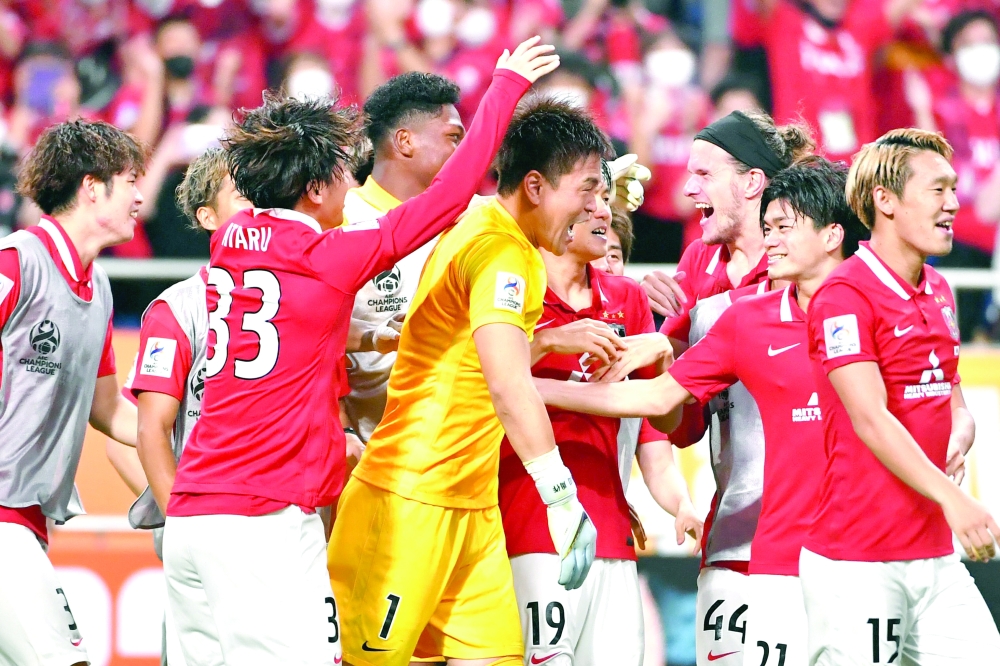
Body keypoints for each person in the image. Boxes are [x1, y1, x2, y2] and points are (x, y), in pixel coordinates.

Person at [161, 38, 557, 666]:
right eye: (344, 172)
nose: (354, 184)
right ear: (315, 188)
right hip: (263, 519)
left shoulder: (232, 239)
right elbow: (448, 200)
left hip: (189, 519)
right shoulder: (330, 258)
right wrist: (504, 85)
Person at [532, 157, 871, 666]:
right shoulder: (742, 320)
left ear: (831, 236)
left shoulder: (884, 309)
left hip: (868, 555)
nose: (770, 241)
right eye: (768, 228)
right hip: (766, 558)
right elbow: (657, 403)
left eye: (782, 228)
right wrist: (527, 385)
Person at [328, 96, 611, 666]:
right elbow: (507, 383)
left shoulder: (490, 228)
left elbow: (474, 359)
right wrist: (559, 493)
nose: (593, 209)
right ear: (535, 186)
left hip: (470, 506)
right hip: (407, 501)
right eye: (585, 190)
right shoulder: (500, 252)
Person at [801, 128, 1000, 664]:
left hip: (934, 555)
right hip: (859, 562)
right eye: (937, 190)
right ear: (884, 200)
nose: (954, 204)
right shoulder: (843, 295)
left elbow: (950, 391)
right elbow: (870, 418)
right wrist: (955, 499)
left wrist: (962, 427)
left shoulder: (938, 288)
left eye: (954, 189)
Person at [499, 171, 701, 666]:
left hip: (610, 534)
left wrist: (681, 504)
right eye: (589, 200)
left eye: (605, 200)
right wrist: (543, 348)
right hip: (526, 528)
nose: (603, 212)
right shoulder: (509, 290)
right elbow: (477, 383)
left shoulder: (627, 299)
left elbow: (660, 427)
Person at [0, 119, 146, 666]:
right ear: (92, 188)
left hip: (28, 520)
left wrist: (199, 444)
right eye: (130, 180)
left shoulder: (99, 286)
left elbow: (109, 411)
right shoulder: (17, 262)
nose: (139, 196)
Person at [121, 147, 249, 666]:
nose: (257, 206)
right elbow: (146, 431)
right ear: (206, 216)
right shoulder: (180, 308)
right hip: (205, 528)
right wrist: (182, 521)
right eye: (240, 194)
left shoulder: (303, 293)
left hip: (283, 524)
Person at [341, 71, 464, 444]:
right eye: (453, 139)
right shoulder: (340, 219)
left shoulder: (476, 216)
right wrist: (343, 428)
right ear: (405, 141)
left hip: (456, 451)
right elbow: (312, 337)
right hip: (366, 454)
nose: (463, 155)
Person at [641, 110, 814, 351]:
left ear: (752, 182)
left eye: (704, 174)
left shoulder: (800, 259)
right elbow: (671, 373)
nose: (688, 189)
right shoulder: (699, 256)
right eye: (691, 175)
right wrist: (636, 308)